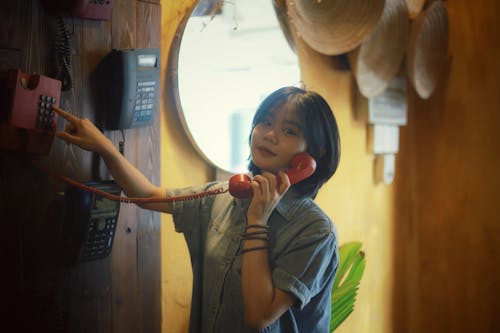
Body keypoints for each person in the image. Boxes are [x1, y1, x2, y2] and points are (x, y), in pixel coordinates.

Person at [53, 86, 341, 333]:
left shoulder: (315, 231)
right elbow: (147, 195)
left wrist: (257, 222)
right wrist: (104, 147)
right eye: (265, 122)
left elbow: (259, 315)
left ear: (311, 158)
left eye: (289, 130)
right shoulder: (225, 196)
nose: (269, 135)